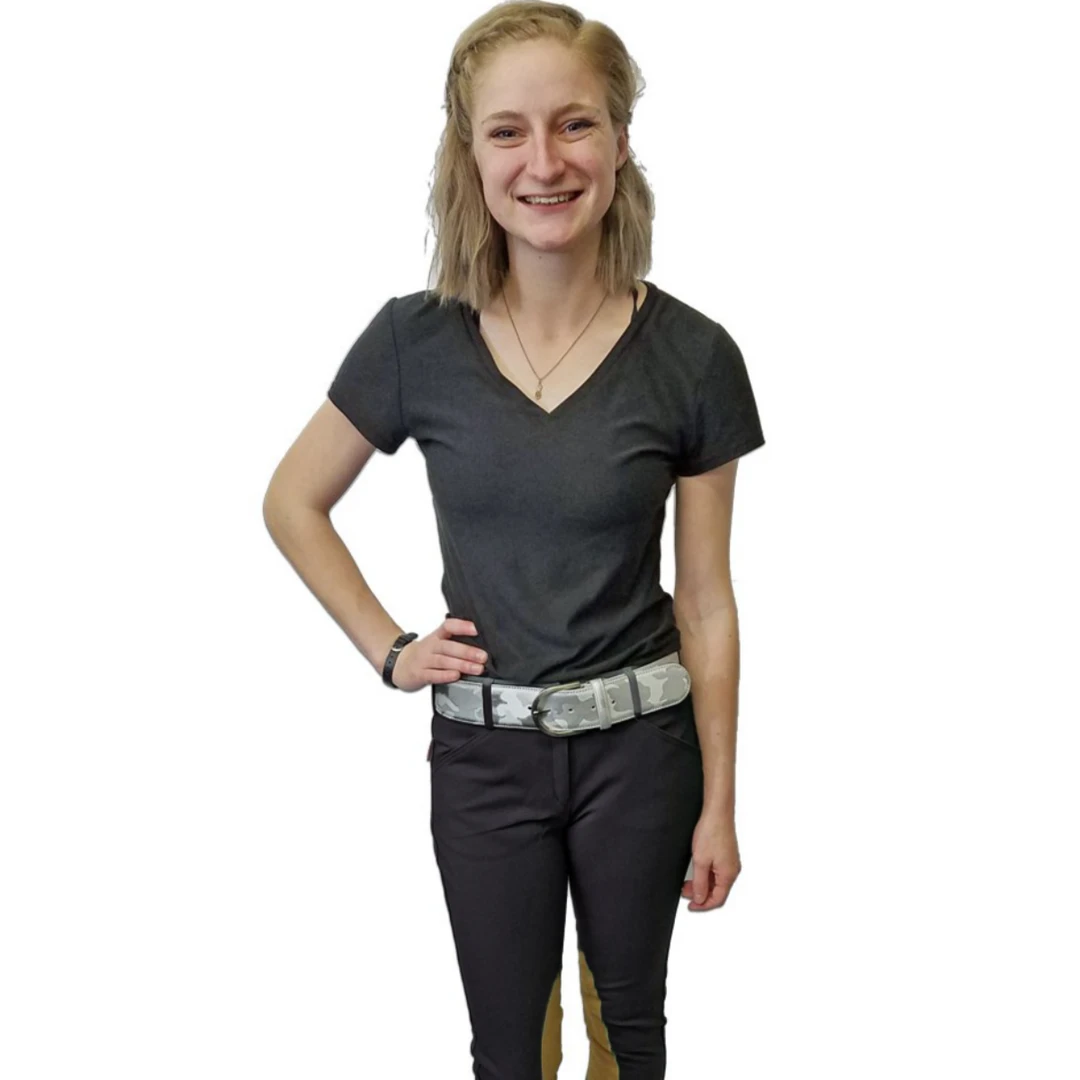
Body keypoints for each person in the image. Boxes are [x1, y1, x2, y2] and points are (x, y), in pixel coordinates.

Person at [263, 2, 766, 1076]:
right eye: (508, 131)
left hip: (643, 754)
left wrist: (721, 803)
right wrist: (391, 650)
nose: (545, 162)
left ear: (620, 140)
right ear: (469, 151)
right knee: (506, 1050)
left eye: (575, 124)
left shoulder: (695, 358)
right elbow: (293, 502)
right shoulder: (414, 341)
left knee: (631, 1034)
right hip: (484, 758)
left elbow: (707, 600)